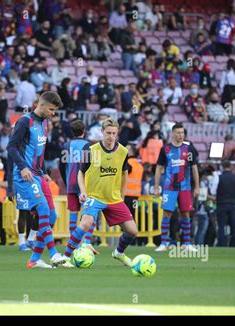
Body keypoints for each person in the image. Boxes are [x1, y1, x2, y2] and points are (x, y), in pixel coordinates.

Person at [61, 118, 137, 267]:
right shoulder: (91, 150)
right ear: (101, 132)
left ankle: (119, 253)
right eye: (108, 133)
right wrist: (83, 191)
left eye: (114, 133)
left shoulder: (123, 151)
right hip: (94, 196)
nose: (111, 136)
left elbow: (124, 173)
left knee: (132, 231)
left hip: (113, 198)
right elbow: (80, 173)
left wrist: (123, 195)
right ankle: (65, 258)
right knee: (85, 224)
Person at [7, 91, 67, 269]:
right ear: (41, 105)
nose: (53, 113)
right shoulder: (25, 121)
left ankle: (34, 259)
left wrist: (44, 171)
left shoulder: (45, 124)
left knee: (52, 216)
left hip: (38, 175)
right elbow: (11, 147)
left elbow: (37, 152)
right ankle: (54, 254)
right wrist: (23, 166)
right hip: (24, 175)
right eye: (51, 109)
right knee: (41, 210)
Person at [154, 123, 199, 251]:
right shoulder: (165, 149)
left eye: (182, 133)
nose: (180, 135)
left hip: (185, 188)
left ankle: (187, 243)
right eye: (178, 133)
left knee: (185, 213)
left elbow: (194, 168)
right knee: (167, 213)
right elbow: (158, 168)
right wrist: (156, 187)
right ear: (173, 134)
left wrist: (197, 187)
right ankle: (164, 243)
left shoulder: (189, 149)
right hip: (169, 188)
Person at [60, 119, 98, 254]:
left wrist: (66, 182)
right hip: (85, 185)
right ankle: (87, 242)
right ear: (84, 131)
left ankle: (73, 243)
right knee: (89, 214)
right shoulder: (90, 146)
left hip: (71, 184)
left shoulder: (66, 146)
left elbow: (61, 166)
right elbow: (93, 166)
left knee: (73, 214)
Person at [210, 160, 235, 247]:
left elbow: (213, 191)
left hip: (221, 203)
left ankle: (222, 244)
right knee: (234, 225)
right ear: (230, 166)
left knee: (221, 225)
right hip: (233, 204)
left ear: (222, 167)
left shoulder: (218, 177)